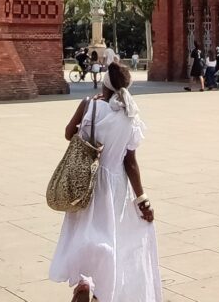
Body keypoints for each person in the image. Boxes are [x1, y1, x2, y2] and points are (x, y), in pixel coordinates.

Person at [49, 62, 162, 302]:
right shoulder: (130, 116)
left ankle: (83, 281)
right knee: (112, 236)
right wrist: (142, 199)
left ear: (105, 83)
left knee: (82, 232)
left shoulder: (89, 105)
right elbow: (130, 162)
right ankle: (104, 291)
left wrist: (86, 126)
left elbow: (69, 133)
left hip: (85, 182)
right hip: (115, 184)